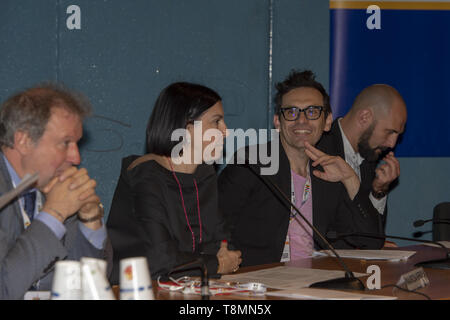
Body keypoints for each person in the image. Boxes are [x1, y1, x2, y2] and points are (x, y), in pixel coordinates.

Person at [218, 70, 384, 267]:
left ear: (327, 121)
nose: (302, 120)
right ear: (278, 121)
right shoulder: (252, 163)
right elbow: (214, 224)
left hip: (314, 281)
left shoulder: (327, 172)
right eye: (292, 112)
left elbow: (370, 241)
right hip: (261, 282)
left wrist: (350, 179)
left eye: (312, 112)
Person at [107, 82, 242, 283]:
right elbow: (160, 259)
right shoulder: (145, 174)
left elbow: (223, 243)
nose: (226, 131)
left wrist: (218, 257)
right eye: (217, 122)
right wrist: (216, 264)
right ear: (188, 129)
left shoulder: (205, 173)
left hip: (187, 289)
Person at [0, 84, 111, 299]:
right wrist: (54, 215)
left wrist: (90, 218)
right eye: (65, 143)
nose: (76, 158)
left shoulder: (49, 184)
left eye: (77, 144)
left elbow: (90, 287)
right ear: (23, 141)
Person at [317, 84, 407, 236]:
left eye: (398, 135)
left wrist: (378, 191)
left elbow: (372, 235)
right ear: (364, 117)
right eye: (390, 132)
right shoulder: (320, 149)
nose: (392, 144)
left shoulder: (369, 158)